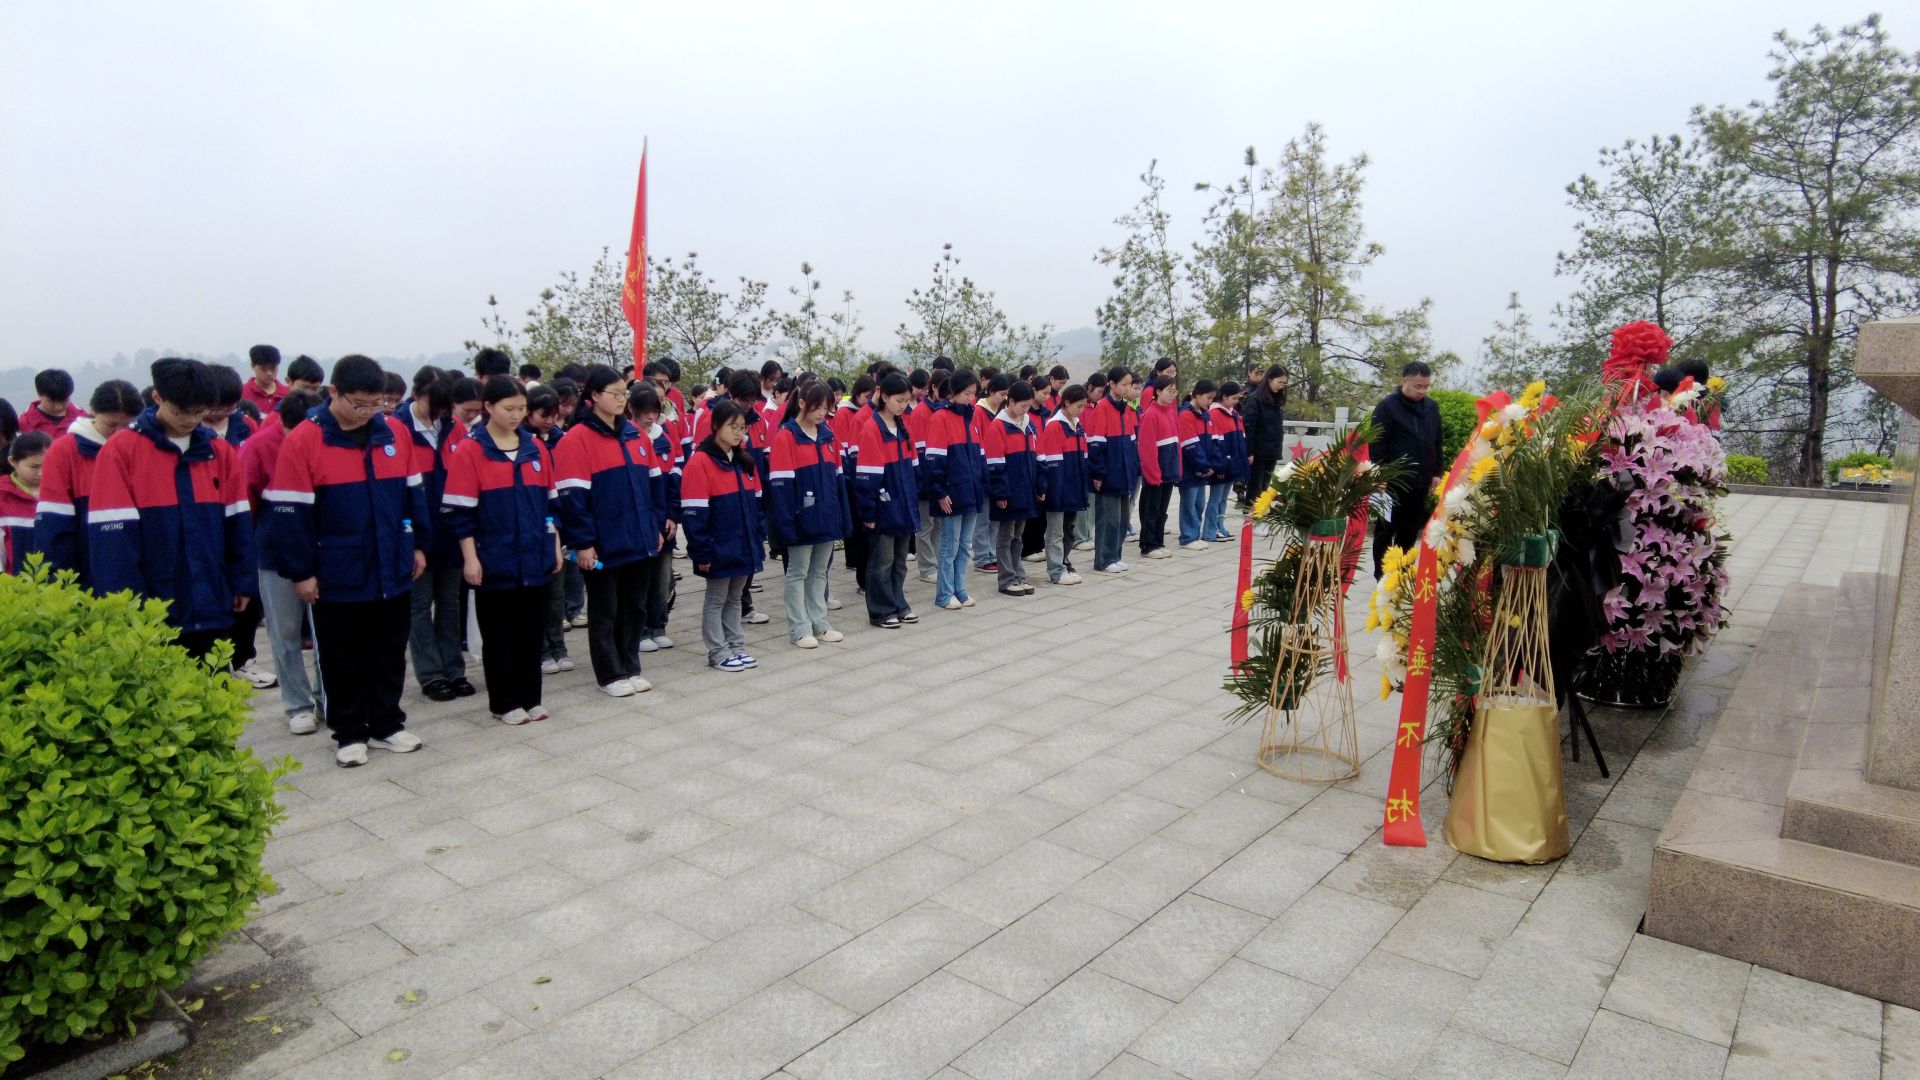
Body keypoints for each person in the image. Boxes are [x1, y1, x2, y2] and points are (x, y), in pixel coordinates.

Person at [267, 355, 428, 767]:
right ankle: (350, 732)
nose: (369, 411)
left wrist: (417, 544)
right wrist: (301, 572)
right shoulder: (305, 439)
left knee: (389, 649)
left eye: (377, 403)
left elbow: (413, 495)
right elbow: (290, 514)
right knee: (343, 655)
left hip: (391, 562)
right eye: (359, 403)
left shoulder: (393, 433)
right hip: (337, 569)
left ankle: (387, 724)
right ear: (333, 393)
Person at [89, 358, 254, 658]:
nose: (191, 419)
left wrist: (243, 580)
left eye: (200, 412)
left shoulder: (218, 451)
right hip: (152, 610)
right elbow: (113, 540)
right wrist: (127, 606)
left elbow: (237, 521)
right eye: (181, 411)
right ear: (157, 397)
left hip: (211, 600)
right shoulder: (121, 451)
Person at [443, 378, 561, 725]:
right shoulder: (472, 449)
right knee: (500, 634)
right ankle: (504, 702)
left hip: (535, 553)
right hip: (494, 555)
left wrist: (554, 544)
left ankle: (531, 697)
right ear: (489, 407)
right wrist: (470, 557)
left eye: (521, 408)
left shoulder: (534, 448)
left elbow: (550, 504)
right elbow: (460, 513)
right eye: (509, 408)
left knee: (530, 630)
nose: (516, 415)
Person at [554, 365, 669, 697]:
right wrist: (584, 543)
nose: (621, 399)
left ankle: (630, 665)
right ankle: (610, 673)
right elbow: (572, 499)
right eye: (615, 394)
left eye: (624, 394)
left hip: (639, 537)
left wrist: (655, 526)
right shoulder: (577, 440)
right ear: (592, 397)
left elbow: (654, 486)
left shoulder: (635, 434)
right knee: (606, 610)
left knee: (636, 607)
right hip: (603, 543)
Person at [242, 389, 326, 734]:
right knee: (285, 631)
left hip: (321, 553)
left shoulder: (328, 441)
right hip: (275, 555)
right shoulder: (260, 446)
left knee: (325, 633)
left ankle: (326, 696)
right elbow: (245, 504)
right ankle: (297, 704)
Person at [398, 372, 474, 703]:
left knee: (450, 603)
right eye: (433, 405)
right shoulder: (397, 429)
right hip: (418, 534)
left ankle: (454, 670)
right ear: (416, 394)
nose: (437, 414)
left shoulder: (453, 427)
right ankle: (430, 675)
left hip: (451, 534)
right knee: (419, 606)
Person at [33, 379, 141, 588]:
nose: (119, 433)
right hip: (86, 569)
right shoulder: (64, 451)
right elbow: (54, 526)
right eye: (111, 424)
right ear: (93, 411)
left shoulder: (142, 448)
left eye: (127, 425)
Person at [682, 400, 764, 671]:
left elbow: (756, 505)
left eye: (742, 428)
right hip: (719, 545)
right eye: (733, 427)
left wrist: (757, 536)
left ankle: (736, 646)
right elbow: (695, 515)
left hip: (743, 543)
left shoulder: (743, 461)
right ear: (716, 426)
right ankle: (717, 651)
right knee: (716, 598)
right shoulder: (700, 463)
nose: (739, 433)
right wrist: (701, 551)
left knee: (735, 597)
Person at [768, 382, 848, 648]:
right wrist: (787, 523)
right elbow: (781, 487)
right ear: (801, 403)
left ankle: (820, 623)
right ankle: (800, 627)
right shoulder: (786, 436)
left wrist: (842, 515)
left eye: (826, 408)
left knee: (820, 572)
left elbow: (838, 479)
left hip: (826, 515)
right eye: (817, 407)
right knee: (798, 572)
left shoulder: (827, 434)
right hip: (801, 518)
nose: (822, 413)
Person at [853, 372, 920, 628]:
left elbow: (913, 469)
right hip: (884, 505)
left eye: (906, 401)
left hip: (904, 505)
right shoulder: (872, 429)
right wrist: (869, 512)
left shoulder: (903, 427)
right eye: (899, 400)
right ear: (884, 396)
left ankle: (898, 601)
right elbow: (867, 478)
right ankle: (880, 609)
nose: (904, 405)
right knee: (882, 562)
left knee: (900, 561)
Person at [1369, 361, 1444, 579]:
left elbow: (1437, 441)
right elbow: (1377, 444)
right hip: (1391, 482)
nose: (1423, 391)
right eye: (1418, 386)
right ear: (1405, 381)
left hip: (1420, 481)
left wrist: (1437, 472)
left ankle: (1400, 573)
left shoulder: (1432, 407)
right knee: (1385, 529)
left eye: (1427, 386)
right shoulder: (1387, 407)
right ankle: (1381, 575)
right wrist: (1378, 474)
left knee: (1410, 530)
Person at [924, 369, 987, 610]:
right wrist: (940, 491)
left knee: (964, 546)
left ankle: (959, 589)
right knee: (949, 546)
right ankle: (944, 594)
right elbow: (933, 460)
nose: (970, 398)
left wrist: (981, 484)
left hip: (971, 492)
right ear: (953, 392)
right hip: (951, 493)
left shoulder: (972, 418)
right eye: (966, 393)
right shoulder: (940, 418)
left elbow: (979, 456)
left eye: (973, 394)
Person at [523, 384, 574, 675]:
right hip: (532, 526)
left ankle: (559, 647)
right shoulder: (524, 443)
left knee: (556, 593)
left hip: (557, 526)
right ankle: (540, 649)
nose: (549, 420)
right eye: (543, 414)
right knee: (536, 593)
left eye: (552, 415)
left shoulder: (561, 441)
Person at [627, 384, 679, 653]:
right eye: (645, 412)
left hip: (663, 520)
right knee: (641, 580)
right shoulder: (627, 438)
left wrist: (672, 515)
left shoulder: (664, 439)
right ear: (632, 410)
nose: (650, 417)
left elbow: (672, 481)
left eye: (655, 412)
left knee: (662, 579)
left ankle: (658, 625)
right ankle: (641, 631)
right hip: (639, 522)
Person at [986, 382, 1044, 596]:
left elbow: (1038, 458)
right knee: (1006, 535)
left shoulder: (1029, 424)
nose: (1026, 410)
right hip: (1008, 491)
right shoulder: (998, 426)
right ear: (1010, 402)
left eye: (1029, 406)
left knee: (1019, 535)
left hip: (1026, 490)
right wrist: (1000, 493)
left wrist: (1040, 486)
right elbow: (995, 465)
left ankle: (1019, 575)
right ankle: (1006, 578)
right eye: (1022, 406)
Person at [1084, 367, 1141, 573]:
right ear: (1112, 384)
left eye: (1129, 384)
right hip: (1109, 473)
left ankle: (1115, 555)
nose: (1127, 388)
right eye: (1124, 384)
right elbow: (1096, 444)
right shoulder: (1102, 408)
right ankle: (1103, 559)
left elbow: (1132, 442)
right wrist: (1098, 473)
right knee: (1108, 518)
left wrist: (1134, 467)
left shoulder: (1126, 409)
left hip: (1125, 473)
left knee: (1122, 519)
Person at [1038, 383, 1090, 585]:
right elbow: (1052, 464)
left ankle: (1064, 562)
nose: (1082, 410)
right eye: (1079, 405)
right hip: (1058, 489)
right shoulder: (1054, 426)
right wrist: (1055, 492)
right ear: (1067, 403)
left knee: (1069, 528)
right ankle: (1056, 570)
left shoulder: (1077, 425)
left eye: (1084, 406)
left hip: (1074, 487)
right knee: (1056, 531)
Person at [1136, 374, 1181, 559]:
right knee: (1151, 510)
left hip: (1169, 470)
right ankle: (1148, 544)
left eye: (1174, 391)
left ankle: (1159, 541)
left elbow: (1177, 442)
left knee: (1162, 510)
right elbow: (1147, 448)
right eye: (1169, 391)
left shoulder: (1171, 412)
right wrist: (1153, 474)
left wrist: (1178, 468)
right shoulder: (1150, 414)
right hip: (1156, 473)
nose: (1172, 395)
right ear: (1158, 391)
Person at [972, 374, 1012, 573]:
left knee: (996, 517)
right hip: (983, 471)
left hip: (998, 471)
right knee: (983, 518)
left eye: (1007, 394)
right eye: (1002, 394)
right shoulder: (978, 412)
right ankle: (981, 557)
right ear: (989, 392)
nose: (1004, 398)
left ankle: (992, 554)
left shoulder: (1002, 412)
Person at [905, 374, 942, 584]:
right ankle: (927, 567)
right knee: (925, 525)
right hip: (924, 477)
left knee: (938, 524)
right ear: (933, 388)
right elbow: (919, 449)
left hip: (938, 477)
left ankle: (935, 562)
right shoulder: (921, 412)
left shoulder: (939, 410)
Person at [1176, 379, 1220, 549]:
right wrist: (1202, 465)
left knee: (1199, 503)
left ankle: (1195, 533)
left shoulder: (1205, 415)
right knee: (1189, 502)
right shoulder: (1185, 414)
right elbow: (1190, 445)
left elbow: (1210, 442)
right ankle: (1188, 536)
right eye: (1208, 398)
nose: (1210, 402)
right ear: (1198, 394)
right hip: (1189, 468)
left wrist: (1210, 464)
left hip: (1203, 468)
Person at [1, 432, 51, 574]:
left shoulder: (63, 492)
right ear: (13, 462)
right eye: (34, 467)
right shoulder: (2, 496)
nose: (41, 473)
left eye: (47, 465)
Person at [1206, 382, 1248, 542]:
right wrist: (1220, 463)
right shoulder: (1215, 413)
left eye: (1238, 398)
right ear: (1224, 396)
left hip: (1232, 462)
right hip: (1221, 463)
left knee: (1223, 498)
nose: (1236, 401)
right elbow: (1214, 442)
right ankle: (1210, 529)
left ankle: (1220, 525)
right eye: (1234, 398)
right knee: (1215, 498)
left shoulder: (1233, 414)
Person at [1242, 364, 1289, 503]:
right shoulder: (1254, 399)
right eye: (1279, 382)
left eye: (1284, 383)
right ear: (1269, 379)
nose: (1281, 386)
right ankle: (1249, 521)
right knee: (1254, 490)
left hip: (1272, 452)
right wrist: (1249, 452)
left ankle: (1260, 521)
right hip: (1257, 453)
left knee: (1264, 491)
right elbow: (1249, 427)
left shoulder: (1276, 400)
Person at [21, 369, 85, 437]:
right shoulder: (25, 422)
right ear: (39, 394)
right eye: (51, 401)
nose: (58, 407)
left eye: (64, 400)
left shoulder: (83, 418)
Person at [242, 345, 289, 415]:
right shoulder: (241, 393)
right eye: (263, 369)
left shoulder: (288, 394)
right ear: (252, 366)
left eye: (273, 368)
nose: (269, 373)